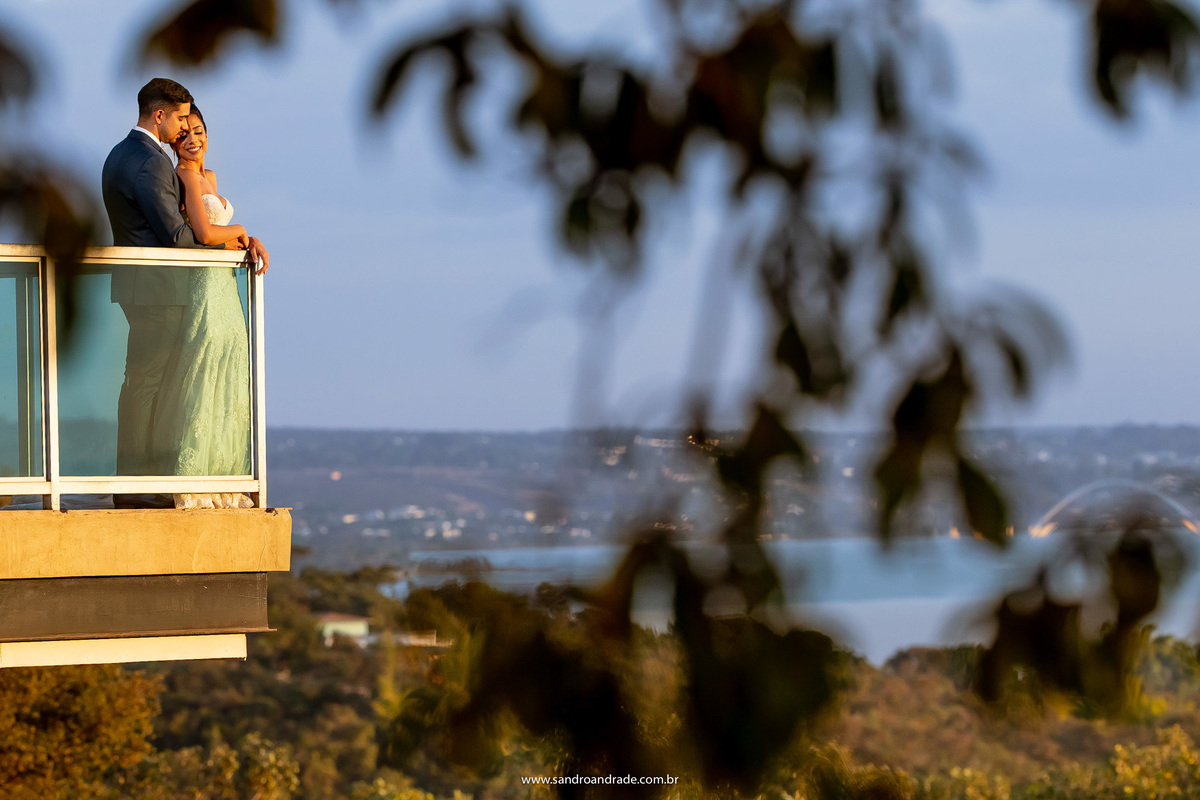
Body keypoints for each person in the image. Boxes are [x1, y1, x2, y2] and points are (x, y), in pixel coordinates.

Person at [101, 78, 266, 508]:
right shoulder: (151, 161)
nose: (182, 128)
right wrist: (233, 239)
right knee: (147, 385)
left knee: (148, 383)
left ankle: (141, 482)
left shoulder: (121, 153)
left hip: (146, 288)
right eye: (178, 118)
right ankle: (136, 489)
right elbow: (176, 238)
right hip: (158, 288)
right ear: (160, 115)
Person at [152, 106, 269, 509]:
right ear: (174, 141)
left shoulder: (211, 177)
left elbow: (222, 237)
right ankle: (193, 477)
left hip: (225, 288)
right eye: (183, 134)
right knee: (203, 367)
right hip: (204, 285)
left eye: (197, 131)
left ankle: (224, 474)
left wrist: (247, 242)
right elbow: (203, 233)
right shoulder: (184, 175)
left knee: (229, 366)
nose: (192, 139)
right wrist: (241, 231)